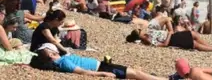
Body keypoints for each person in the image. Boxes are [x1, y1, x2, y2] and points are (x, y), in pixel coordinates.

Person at [30, 43, 164, 80]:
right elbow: (81, 71)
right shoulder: (63, 62)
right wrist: (103, 74)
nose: (55, 52)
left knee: (134, 72)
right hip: (102, 68)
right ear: (52, 54)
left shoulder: (61, 60)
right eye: (52, 52)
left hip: (103, 65)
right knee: (134, 73)